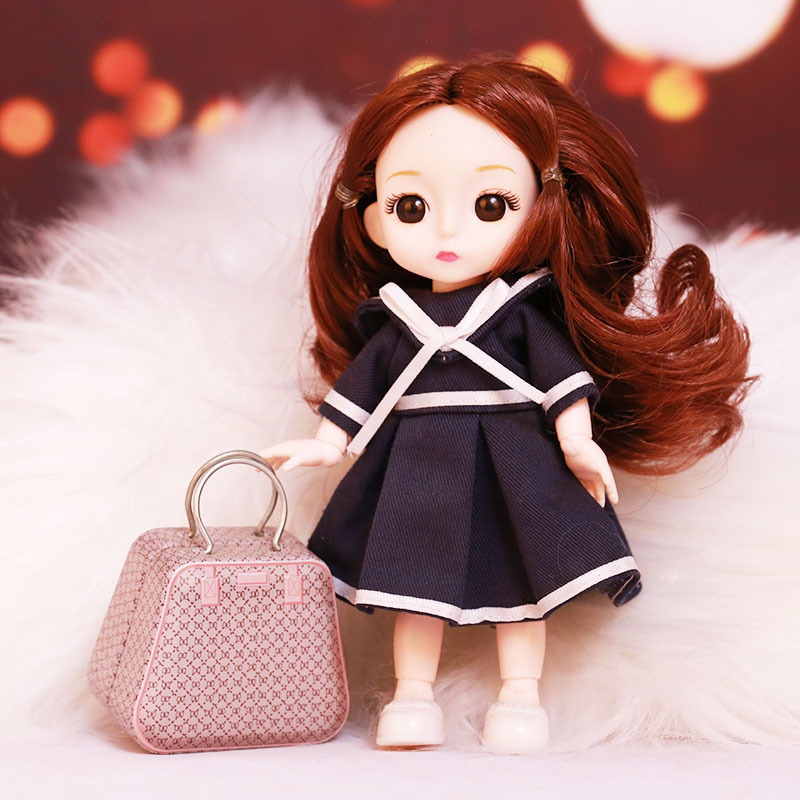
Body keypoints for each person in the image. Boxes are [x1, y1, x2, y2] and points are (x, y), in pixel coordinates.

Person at [262, 59, 751, 753]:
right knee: (413, 590)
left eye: (490, 204)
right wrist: (326, 442)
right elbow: (363, 391)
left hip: (513, 465)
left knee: (521, 588)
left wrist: (578, 443)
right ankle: (412, 696)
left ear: (542, 208)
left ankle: (519, 698)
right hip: (418, 471)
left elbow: (562, 383)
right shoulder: (397, 320)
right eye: (411, 207)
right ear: (373, 221)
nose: (447, 231)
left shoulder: (521, 314)